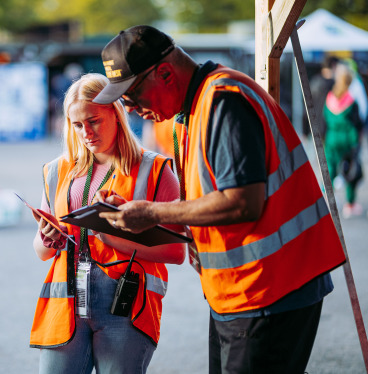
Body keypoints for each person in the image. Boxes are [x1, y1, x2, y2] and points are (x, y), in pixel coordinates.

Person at [92, 25, 346, 374]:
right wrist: (135, 211)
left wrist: (152, 211)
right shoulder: (192, 110)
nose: (132, 109)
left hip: (271, 290)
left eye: (133, 96)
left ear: (164, 72)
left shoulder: (223, 100)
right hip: (245, 292)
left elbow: (243, 202)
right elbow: (204, 203)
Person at [30, 73, 186, 374]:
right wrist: (48, 238)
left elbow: (176, 252)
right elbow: (41, 251)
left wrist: (114, 239)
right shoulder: (56, 171)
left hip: (127, 306)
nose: (86, 132)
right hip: (65, 306)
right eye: (77, 125)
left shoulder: (155, 170)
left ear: (116, 113)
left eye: (94, 121)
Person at [323, 62, 364, 219]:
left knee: (329, 171)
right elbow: (358, 122)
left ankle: (326, 199)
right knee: (350, 172)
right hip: (348, 141)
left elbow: (323, 120)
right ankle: (350, 204)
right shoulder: (351, 101)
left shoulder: (329, 98)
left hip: (332, 140)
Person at [303, 55, 339, 139]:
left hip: (314, 129)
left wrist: (305, 131)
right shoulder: (335, 85)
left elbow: (306, 108)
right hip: (330, 130)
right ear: (334, 66)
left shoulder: (314, 81)